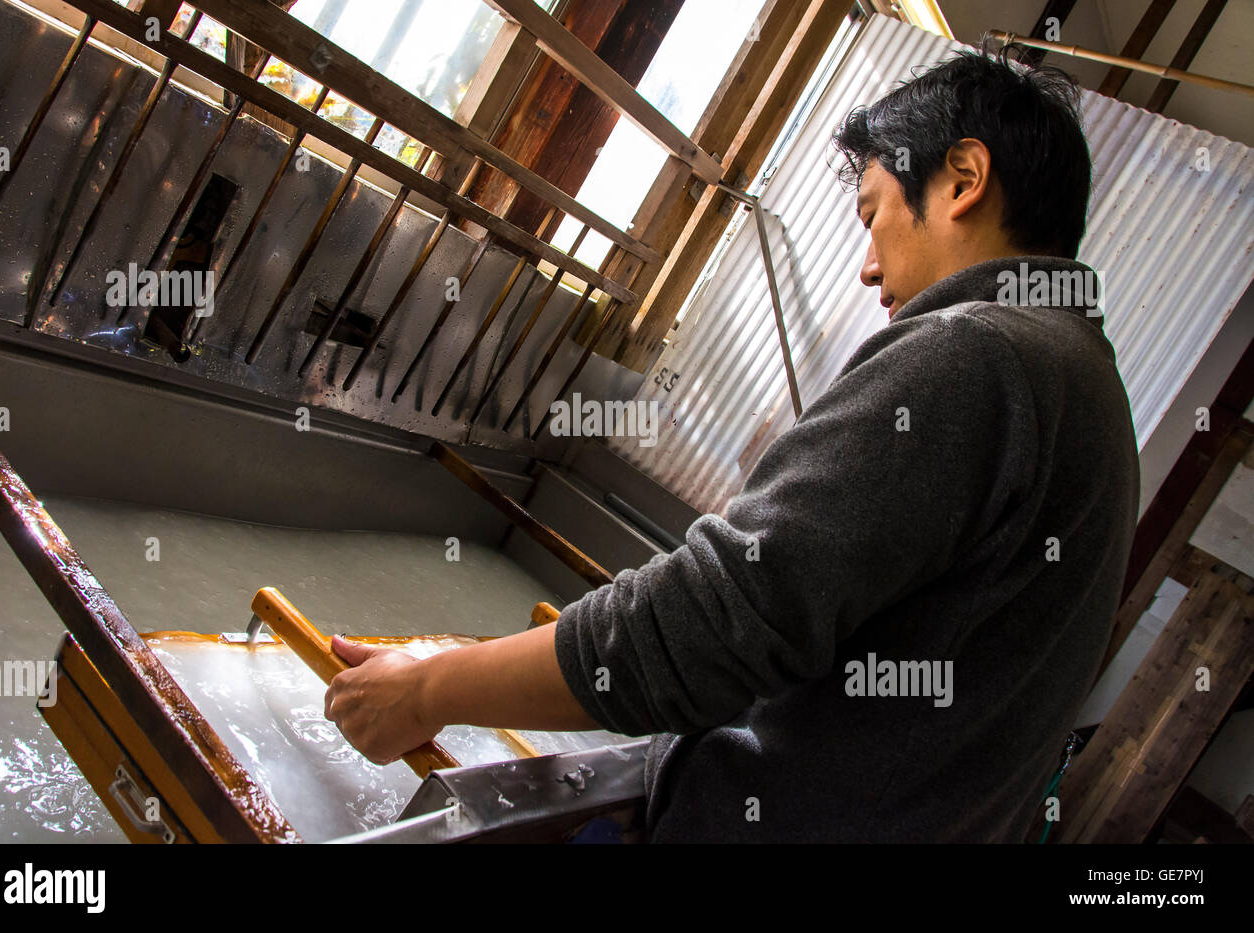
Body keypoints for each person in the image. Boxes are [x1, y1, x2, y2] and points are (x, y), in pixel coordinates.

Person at [323, 46, 1139, 843]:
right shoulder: (1089, 389)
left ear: (962, 179)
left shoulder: (976, 354)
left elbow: (709, 625)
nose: (865, 266)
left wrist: (428, 688)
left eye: (874, 212)